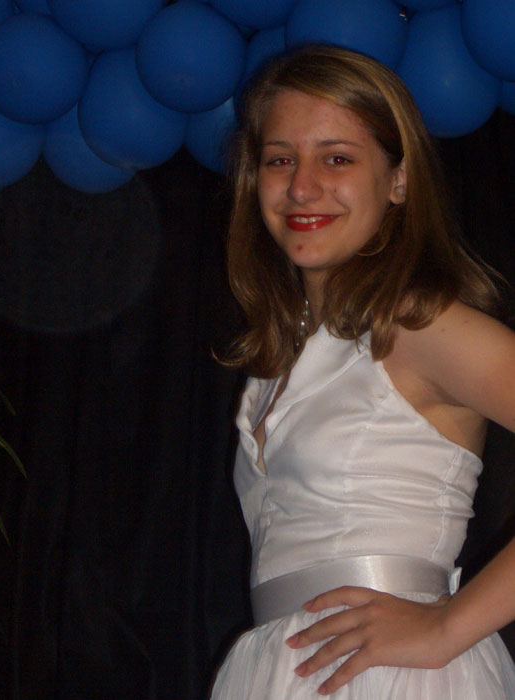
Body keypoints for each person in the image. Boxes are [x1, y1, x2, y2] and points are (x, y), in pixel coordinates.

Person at [210, 45, 515, 698]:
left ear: (398, 180)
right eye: (280, 159)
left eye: (337, 158)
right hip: (279, 671)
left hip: (394, 676)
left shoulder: (419, 326)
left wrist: (447, 627)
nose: (301, 186)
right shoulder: (278, 359)